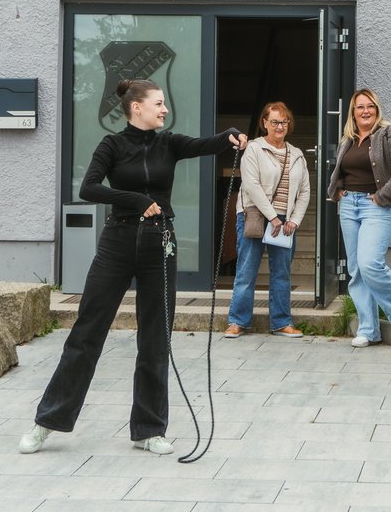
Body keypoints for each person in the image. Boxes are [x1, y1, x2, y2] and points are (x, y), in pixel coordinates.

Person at [19, 79, 247, 456]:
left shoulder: (169, 143)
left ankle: (148, 429)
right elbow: (89, 188)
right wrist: (136, 199)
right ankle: (47, 421)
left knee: (156, 338)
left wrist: (231, 135)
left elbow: (208, 143)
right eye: (159, 103)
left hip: (161, 243)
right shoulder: (112, 144)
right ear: (136, 107)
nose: (165, 109)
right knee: (87, 331)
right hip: (117, 243)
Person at [328, 88, 391, 347]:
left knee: (370, 263)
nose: (365, 111)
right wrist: (337, 189)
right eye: (360, 107)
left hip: (376, 206)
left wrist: (382, 196)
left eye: (370, 106)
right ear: (353, 113)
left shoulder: (389, 134)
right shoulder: (349, 138)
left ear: (377, 109)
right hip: (349, 205)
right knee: (357, 270)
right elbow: (343, 169)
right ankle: (368, 329)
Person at [224, 101, 311, 338]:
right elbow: (251, 185)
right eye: (274, 122)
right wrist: (272, 217)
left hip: (285, 222)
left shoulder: (297, 154)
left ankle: (281, 323)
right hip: (255, 215)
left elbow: (304, 191)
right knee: (246, 270)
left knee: (281, 272)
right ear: (264, 123)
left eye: (284, 122)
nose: (280, 126)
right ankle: (237, 321)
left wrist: (294, 219)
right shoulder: (253, 149)